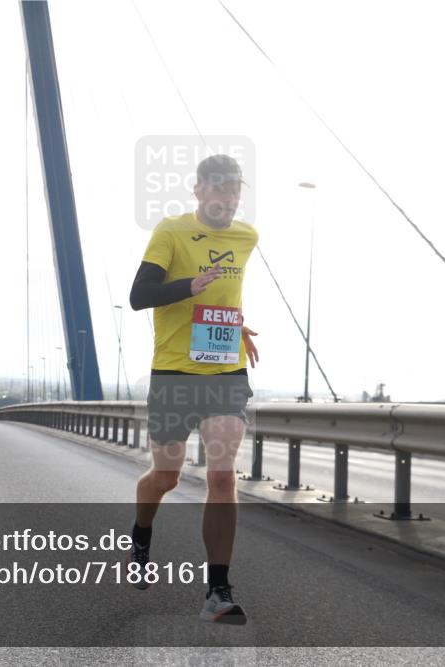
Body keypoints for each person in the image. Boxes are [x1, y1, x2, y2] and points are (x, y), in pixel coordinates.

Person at [127, 154, 259, 625]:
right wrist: (189, 285)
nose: (228, 196)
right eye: (219, 188)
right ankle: (141, 532)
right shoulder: (171, 231)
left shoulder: (247, 237)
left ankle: (217, 591)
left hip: (225, 374)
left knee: (222, 476)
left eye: (235, 188)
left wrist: (236, 326)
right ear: (199, 189)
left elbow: (227, 297)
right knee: (166, 477)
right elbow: (139, 296)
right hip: (174, 376)